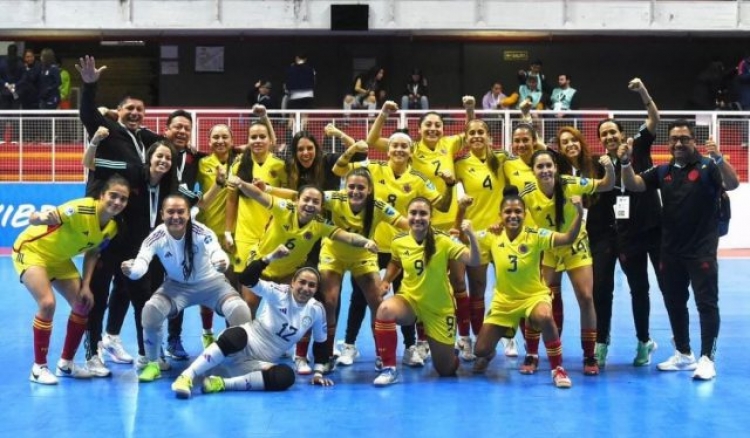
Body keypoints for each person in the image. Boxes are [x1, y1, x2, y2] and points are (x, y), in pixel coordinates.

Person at [621, 120, 739, 381]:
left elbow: (733, 184)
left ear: (693, 141)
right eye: (674, 139)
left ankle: (707, 358)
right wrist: (626, 163)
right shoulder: (663, 170)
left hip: (701, 251)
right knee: (675, 303)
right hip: (670, 251)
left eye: (684, 138)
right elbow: (634, 184)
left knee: (706, 304)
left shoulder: (708, 167)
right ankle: (684, 354)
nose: (678, 143)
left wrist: (718, 157)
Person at [333, 132, 455, 369]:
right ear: (387, 150)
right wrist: (349, 146)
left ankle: (410, 348)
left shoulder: (418, 179)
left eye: (404, 146)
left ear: (411, 152)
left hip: (404, 246)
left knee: (406, 295)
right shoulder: (373, 169)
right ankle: (349, 345)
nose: (399, 149)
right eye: (395, 145)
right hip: (371, 245)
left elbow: (442, 204)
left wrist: (450, 186)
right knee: (360, 296)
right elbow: (340, 170)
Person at [76, 55, 164, 369]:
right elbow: (87, 113)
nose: (135, 114)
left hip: (137, 230)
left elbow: (171, 146)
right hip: (106, 226)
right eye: (130, 109)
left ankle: (121, 342)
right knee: (96, 292)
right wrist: (89, 86)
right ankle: (92, 352)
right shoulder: (108, 129)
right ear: (119, 111)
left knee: (131, 289)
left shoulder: (144, 140)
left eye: (140, 110)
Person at [170, 244, 333, 399]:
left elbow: (321, 343)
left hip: (261, 362)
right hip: (245, 342)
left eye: (311, 285)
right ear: (293, 283)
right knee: (237, 334)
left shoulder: (316, 310)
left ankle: (221, 384)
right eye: (302, 282)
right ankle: (186, 376)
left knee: (286, 377)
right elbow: (247, 278)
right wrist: (269, 258)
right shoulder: (280, 293)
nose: (305, 288)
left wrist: (318, 373)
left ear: (316, 289)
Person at [120, 194, 253, 383]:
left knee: (241, 311)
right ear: (162, 215)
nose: (176, 216)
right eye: (170, 212)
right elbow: (142, 261)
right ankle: (152, 363)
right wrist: (131, 270)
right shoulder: (156, 236)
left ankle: (240, 360)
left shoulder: (202, 231)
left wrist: (220, 261)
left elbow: (215, 250)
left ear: (189, 214)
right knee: (150, 311)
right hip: (177, 286)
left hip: (212, 284)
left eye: (181, 211)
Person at [13, 175, 130, 384]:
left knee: (83, 305)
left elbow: (93, 253)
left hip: (59, 259)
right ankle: (38, 368)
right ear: (102, 195)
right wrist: (40, 217)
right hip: (32, 250)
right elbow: (33, 218)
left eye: (123, 199)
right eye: (113, 196)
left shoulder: (111, 228)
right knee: (47, 303)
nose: (117, 202)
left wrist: (86, 286)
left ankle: (66, 364)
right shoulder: (81, 209)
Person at [473, 186, 585, 389]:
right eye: (508, 212)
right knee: (479, 350)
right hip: (504, 302)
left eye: (518, 211)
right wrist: (461, 227)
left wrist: (579, 213)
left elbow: (567, 238)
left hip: (533, 297)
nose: (513, 215)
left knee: (544, 316)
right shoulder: (492, 235)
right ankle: (489, 353)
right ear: (500, 215)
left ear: (525, 214)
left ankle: (557, 368)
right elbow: (468, 236)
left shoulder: (535, 235)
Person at [519, 149, 614, 376]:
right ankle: (532, 354)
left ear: (555, 167)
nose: (545, 170)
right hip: (548, 248)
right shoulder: (528, 193)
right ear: (533, 171)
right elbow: (510, 214)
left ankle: (589, 355)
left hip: (575, 246)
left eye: (548, 166)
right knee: (537, 299)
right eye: (539, 167)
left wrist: (610, 168)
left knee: (586, 296)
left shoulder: (571, 182)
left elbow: (606, 184)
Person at [592, 78, 663, 367]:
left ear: (623, 135)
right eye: (604, 134)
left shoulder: (639, 145)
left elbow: (654, 117)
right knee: (632, 287)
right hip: (627, 236)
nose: (609, 137)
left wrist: (643, 91)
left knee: (660, 287)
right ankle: (603, 343)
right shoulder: (600, 165)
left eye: (613, 132)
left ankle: (646, 341)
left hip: (655, 229)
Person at [373, 197, 481, 386]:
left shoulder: (444, 240)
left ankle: (450, 352)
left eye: (423, 213)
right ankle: (389, 368)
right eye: (413, 213)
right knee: (385, 310)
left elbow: (474, 261)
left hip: (439, 309)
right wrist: (386, 280)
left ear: (431, 217)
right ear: (407, 215)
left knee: (445, 371)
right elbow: (396, 261)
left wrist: (471, 235)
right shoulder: (399, 240)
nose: (417, 217)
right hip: (410, 301)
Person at [317, 167, 408, 368]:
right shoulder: (334, 198)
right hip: (333, 254)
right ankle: (326, 356)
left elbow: (406, 223)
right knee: (329, 302)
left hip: (363, 256)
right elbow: (305, 196)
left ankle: (382, 355)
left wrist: (434, 233)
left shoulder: (378, 206)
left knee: (377, 301)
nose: (355, 191)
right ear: (344, 187)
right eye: (351, 186)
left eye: (361, 187)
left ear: (369, 189)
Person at [453, 118, 516, 360]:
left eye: (481, 132)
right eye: (472, 133)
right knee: (473, 289)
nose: (477, 136)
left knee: (506, 287)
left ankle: (508, 338)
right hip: (472, 234)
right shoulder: (460, 165)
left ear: (489, 135)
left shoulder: (501, 159)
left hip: (500, 233)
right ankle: (472, 337)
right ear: (466, 138)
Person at [224, 117, 286, 314]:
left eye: (262, 136)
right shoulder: (238, 165)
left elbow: (289, 199)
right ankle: (242, 339)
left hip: (273, 236)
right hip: (245, 236)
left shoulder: (280, 165)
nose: (258, 140)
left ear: (270, 140)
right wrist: (227, 231)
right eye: (253, 137)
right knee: (247, 300)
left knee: (276, 299)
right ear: (248, 140)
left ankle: (272, 340)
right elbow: (231, 200)